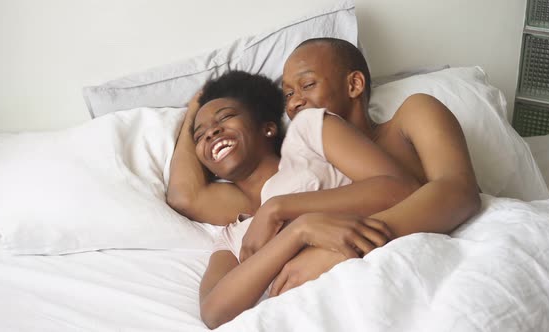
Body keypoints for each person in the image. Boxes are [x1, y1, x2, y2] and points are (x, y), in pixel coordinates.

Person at [166, 70, 421, 328]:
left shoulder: (307, 137)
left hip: (385, 284)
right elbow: (213, 313)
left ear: (268, 127)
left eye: (227, 117)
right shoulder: (233, 236)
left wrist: (280, 209)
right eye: (200, 136)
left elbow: (401, 190)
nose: (211, 133)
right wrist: (299, 230)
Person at [237, 37, 481, 295]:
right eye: (288, 94)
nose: (293, 103)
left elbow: (460, 191)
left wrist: (345, 249)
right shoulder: (310, 176)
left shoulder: (412, 115)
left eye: (306, 85)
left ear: (354, 84)